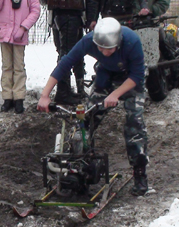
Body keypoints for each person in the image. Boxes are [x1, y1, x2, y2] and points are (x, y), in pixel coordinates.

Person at [37, 18, 149, 196]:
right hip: (105, 75)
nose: (104, 52)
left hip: (130, 80)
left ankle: (140, 175)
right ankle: (80, 168)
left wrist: (115, 94)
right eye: (100, 48)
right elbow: (66, 63)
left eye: (109, 49)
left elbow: (136, 76)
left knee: (134, 124)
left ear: (118, 43)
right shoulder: (89, 41)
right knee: (85, 119)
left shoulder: (131, 42)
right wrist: (45, 95)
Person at [0, 0, 41, 114]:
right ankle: (7, 98)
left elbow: (35, 10)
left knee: (19, 67)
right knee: (7, 67)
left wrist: (23, 27)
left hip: (19, 34)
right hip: (4, 34)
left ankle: (19, 98)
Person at [48, 0, 91, 104]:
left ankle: (68, 90)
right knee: (66, 54)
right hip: (65, 16)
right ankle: (62, 92)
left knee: (74, 54)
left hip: (74, 16)